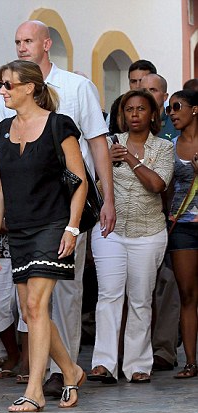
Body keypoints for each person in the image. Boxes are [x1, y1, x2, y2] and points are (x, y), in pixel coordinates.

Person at [0, 20, 115, 397]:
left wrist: (104, 201)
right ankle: (67, 369)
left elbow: (95, 147)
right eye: (16, 41)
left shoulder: (75, 90)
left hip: (61, 212)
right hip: (22, 217)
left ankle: (45, 381)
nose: (21, 46)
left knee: (58, 294)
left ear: (47, 44)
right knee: (32, 305)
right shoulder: (4, 111)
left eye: (27, 40)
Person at [0, 60, 87, 412]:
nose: (2, 90)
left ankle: (35, 390)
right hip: (18, 230)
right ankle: (71, 370)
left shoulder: (60, 125)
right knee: (31, 314)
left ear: (29, 87)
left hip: (53, 225)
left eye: (8, 84)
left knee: (34, 306)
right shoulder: (1, 131)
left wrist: (72, 227)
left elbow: (79, 181)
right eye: (1, 83)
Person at [88, 89, 174, 384]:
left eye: (141, 109)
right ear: (122, 115)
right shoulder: (109, 144)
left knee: (140, 299)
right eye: (129, 109)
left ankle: (138, 364)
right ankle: (104, 363)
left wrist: (131, 160)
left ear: (152, 115)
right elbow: (94, 185)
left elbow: (158, 184)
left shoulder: (163, 147)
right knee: (108, 295)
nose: (134, 114)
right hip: (109, 229)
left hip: (149, 232)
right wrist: (104, 164)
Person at [140, 73, 180, 371]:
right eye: (142, 89)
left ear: (164, 97)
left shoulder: (173, 125)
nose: (147, 94)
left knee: (169, 283)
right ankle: (136, 350)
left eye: (153, 90)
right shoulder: (126, 126)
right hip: (137, 217)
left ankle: (164, 348)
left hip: (173, 216)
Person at [167, 89, 198, 378]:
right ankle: (190, 362)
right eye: (168, 109)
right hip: (183, 228)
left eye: (177, 107)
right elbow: (165, 189)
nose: (172, 113)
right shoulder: (171, 147)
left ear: (195, 109)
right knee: (187, 295)